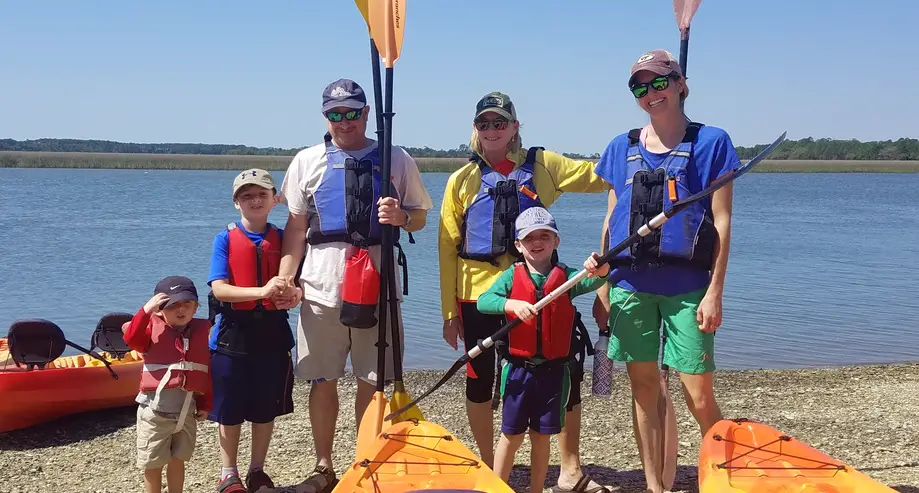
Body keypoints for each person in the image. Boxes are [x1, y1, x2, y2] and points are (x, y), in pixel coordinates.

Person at [438, 91, 616, 493]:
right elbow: (447, 248)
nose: (492, 130)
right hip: (478, 293)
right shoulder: (461, 180)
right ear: (475, 129)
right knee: (480, 380)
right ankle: (488, 465)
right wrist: (448, 312)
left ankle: (569, 469)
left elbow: (600, 175)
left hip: (540, 291)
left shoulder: (543, 166)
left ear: (515, 127)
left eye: (500, 122)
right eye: (484, 123)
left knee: (562, 370)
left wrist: (639, 152)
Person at [273, 78, 433, 493]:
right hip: (321, 287)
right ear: (325, 116)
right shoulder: (306, 160)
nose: (344, 121)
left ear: (366, 113)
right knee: (323, 378)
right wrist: (286, 276)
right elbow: (295, 228)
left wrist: (401, 217)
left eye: (351, 113)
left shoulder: (395, 158)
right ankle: (324, 466)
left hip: (377, 285)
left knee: (373, 379)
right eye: (334, 114)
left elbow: (419, 216)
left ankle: (367, 459)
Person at [592, 49, 737, 493]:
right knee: (644, 389)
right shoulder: (622, 146)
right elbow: (612, 217)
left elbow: (723, 221)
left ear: (680, 83)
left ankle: (729, 477)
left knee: (698, 394)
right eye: (640, 86)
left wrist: (715, 291)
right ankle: (655, 486)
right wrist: (602, 287)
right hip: (630, 284)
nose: (650, 93)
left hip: (688, 285)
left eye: (659, 82)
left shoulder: (711, 142)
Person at [477, 207, 610, 493]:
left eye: (544, 236)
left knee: (541, 436)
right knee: (510, 436)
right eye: (529, 238)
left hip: (554, 373)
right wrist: (510, 304)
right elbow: (484, 301)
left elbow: (596, 279)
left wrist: (601, 268)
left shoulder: (568, 277)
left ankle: (536, 489)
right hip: (518, 372)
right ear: (518, 245)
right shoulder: (511, 277)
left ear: (556, 241)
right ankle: (496, 489)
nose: (537, 242)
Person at [206, 169, 297, 493]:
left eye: (261, 194)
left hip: (272, 335)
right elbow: (219, 289)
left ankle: (257, 469)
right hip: (233, 335)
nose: (254, 201)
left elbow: (294, 284)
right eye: (247, 196)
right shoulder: (225, 239)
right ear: (236, 203)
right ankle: (228, 472)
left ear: (274, 199)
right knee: (228, 410)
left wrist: (292, 293)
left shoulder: (284, 238)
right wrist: (261, 292)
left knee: (264, 408)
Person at [122, 276, 212, 493]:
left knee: (178, 459)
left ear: (195, 307)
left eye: (187, 304)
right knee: (152, 464)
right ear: (160, 310)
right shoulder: (150, 333)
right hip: (154, 413)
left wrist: (206, 403)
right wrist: (145, 310)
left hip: (185, 412)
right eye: (173, 306)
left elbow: (205, 372)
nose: (180, 310)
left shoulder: (200, 333)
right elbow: (132, 338)